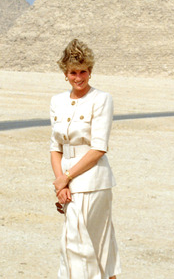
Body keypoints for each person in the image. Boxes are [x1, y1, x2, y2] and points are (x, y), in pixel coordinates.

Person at [50, 39, 121, 278]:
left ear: (90, 71)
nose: (78, 77)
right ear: (65, 73)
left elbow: (99, 148)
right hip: (67, 179)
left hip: (93, 180)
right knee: (94, 243)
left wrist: (66, 177)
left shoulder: (101, 99)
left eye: (83, 71)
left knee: (78, 244)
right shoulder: (57, 101)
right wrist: (61, 181)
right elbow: (55, 147)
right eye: (73, 72)